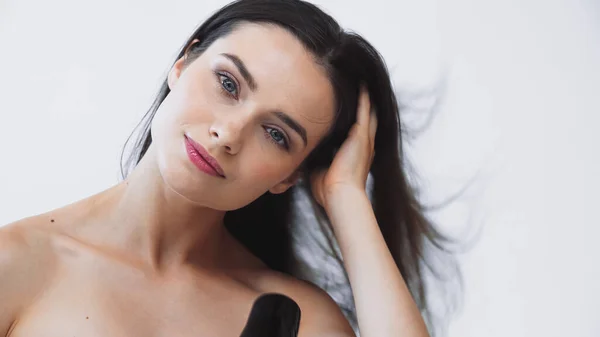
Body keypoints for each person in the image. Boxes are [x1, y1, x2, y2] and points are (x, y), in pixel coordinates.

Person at [0, 0, 460, 336]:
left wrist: (346, 196)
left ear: (289, 175)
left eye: (277, 134)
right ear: (182, 63)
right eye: (228, 83)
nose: (229, 134)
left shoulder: (300, 320)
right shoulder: (17, 263)